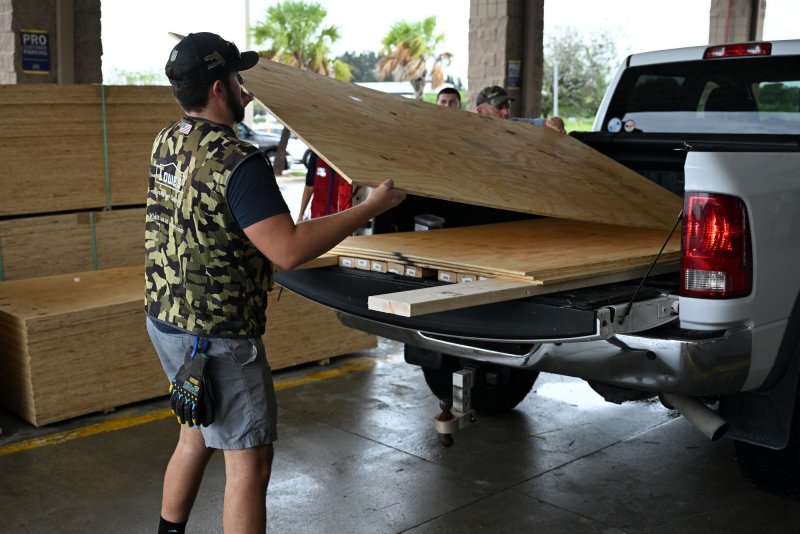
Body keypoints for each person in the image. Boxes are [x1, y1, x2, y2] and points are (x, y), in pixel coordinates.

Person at [145, 32, 405, 534]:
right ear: (219, 88)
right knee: (250, 462)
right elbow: (286, 249)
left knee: (195, 435)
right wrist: (368, 209)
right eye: (239, 79)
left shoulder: (167, 140)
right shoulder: (239, 162)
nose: (247, 89)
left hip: (166, 320)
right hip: (216, 336)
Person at [475, 85, 566, 133]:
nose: (506, 112)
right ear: (480, 111)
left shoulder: (514, 123)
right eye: (499, 107)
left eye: (507, 106)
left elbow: (545, 123)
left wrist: (556, 123)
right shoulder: (470, 130)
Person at [296, 152, 354, 223]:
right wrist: (301, 214)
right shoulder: (316, 154)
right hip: (318, 216)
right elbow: (309, 187)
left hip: (341, 217)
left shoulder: (348, 156)